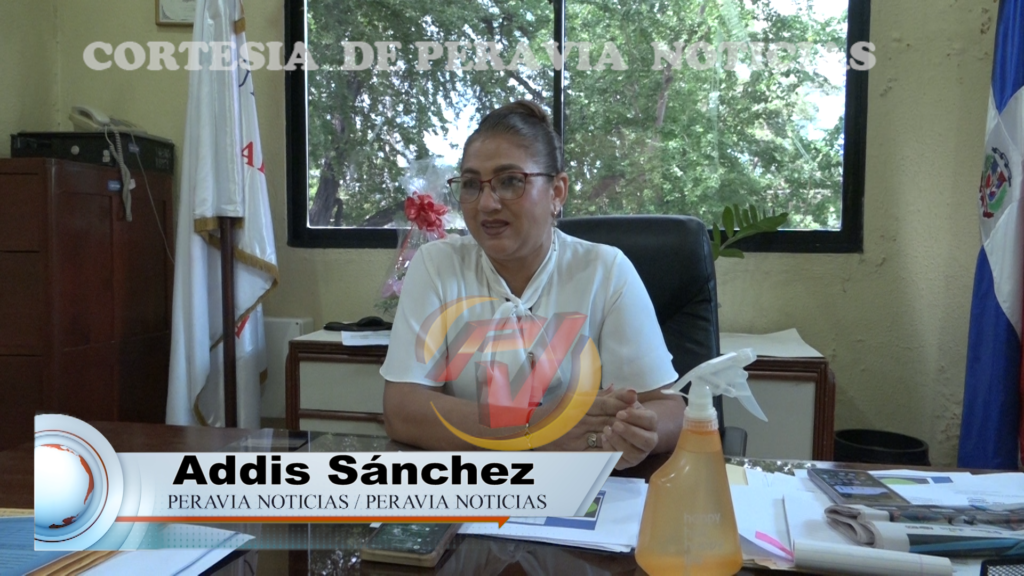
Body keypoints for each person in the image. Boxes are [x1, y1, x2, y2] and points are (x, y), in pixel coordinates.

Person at [380, 100, 684, 469]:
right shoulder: (437, 265)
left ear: (557, 192)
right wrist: (539, 430)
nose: (486, 203)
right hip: (473, 484)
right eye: (472, 185)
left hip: (581, 485)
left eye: (510, 181)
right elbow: (403, 409)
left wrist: (637, 433)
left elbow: (669, 408)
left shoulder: (605, 271)